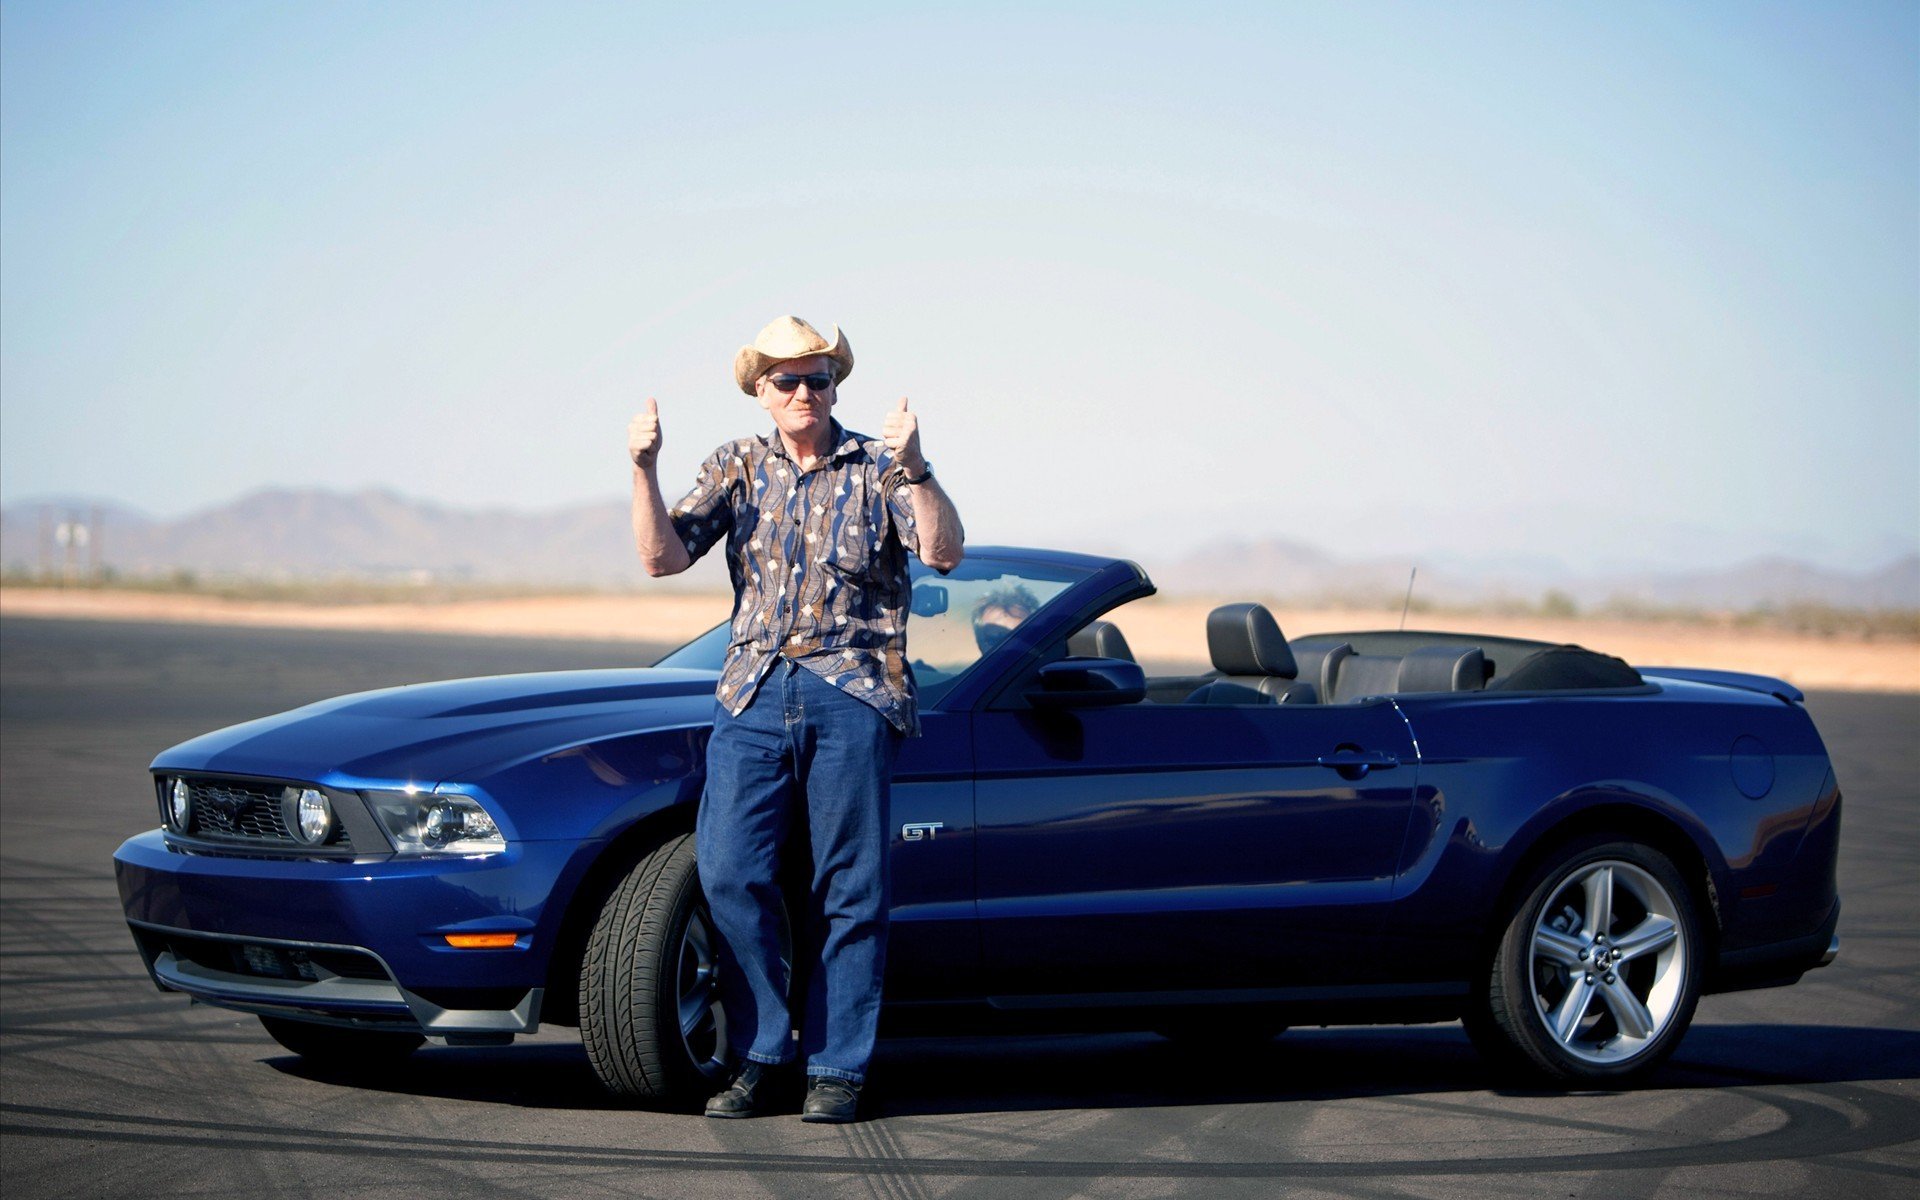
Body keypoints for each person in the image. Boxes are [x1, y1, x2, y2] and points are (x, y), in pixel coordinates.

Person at [626, 315, 963, 1123]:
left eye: (819, 378)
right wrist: (642, 469)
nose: (805, 392)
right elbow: (662, 557)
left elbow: (944, 549)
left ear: (836, 386)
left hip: (851, 691)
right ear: (761, 393)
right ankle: (762, 1051)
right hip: (750, 692)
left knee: (851, 888)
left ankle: (837, 1068)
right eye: (787, 380)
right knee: (731, 873)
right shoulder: (736, 466)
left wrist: (918, 469)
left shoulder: (879, 467)